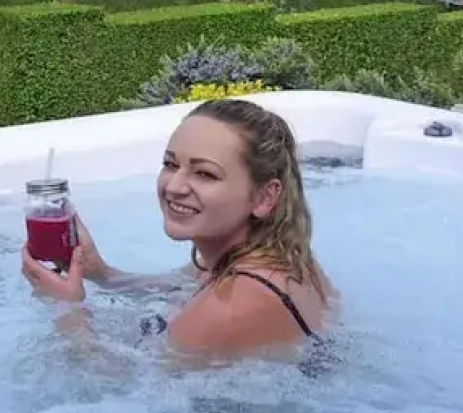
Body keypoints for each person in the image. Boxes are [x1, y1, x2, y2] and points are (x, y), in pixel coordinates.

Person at [20, 98, 333, 360]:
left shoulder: (226, 308)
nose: (174, 186)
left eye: (205, 174)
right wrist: (101, 273)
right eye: (171, 164)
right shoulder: (288, 256)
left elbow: (126, 396)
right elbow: (175, 285)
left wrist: (67, 311)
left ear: (265, 197)